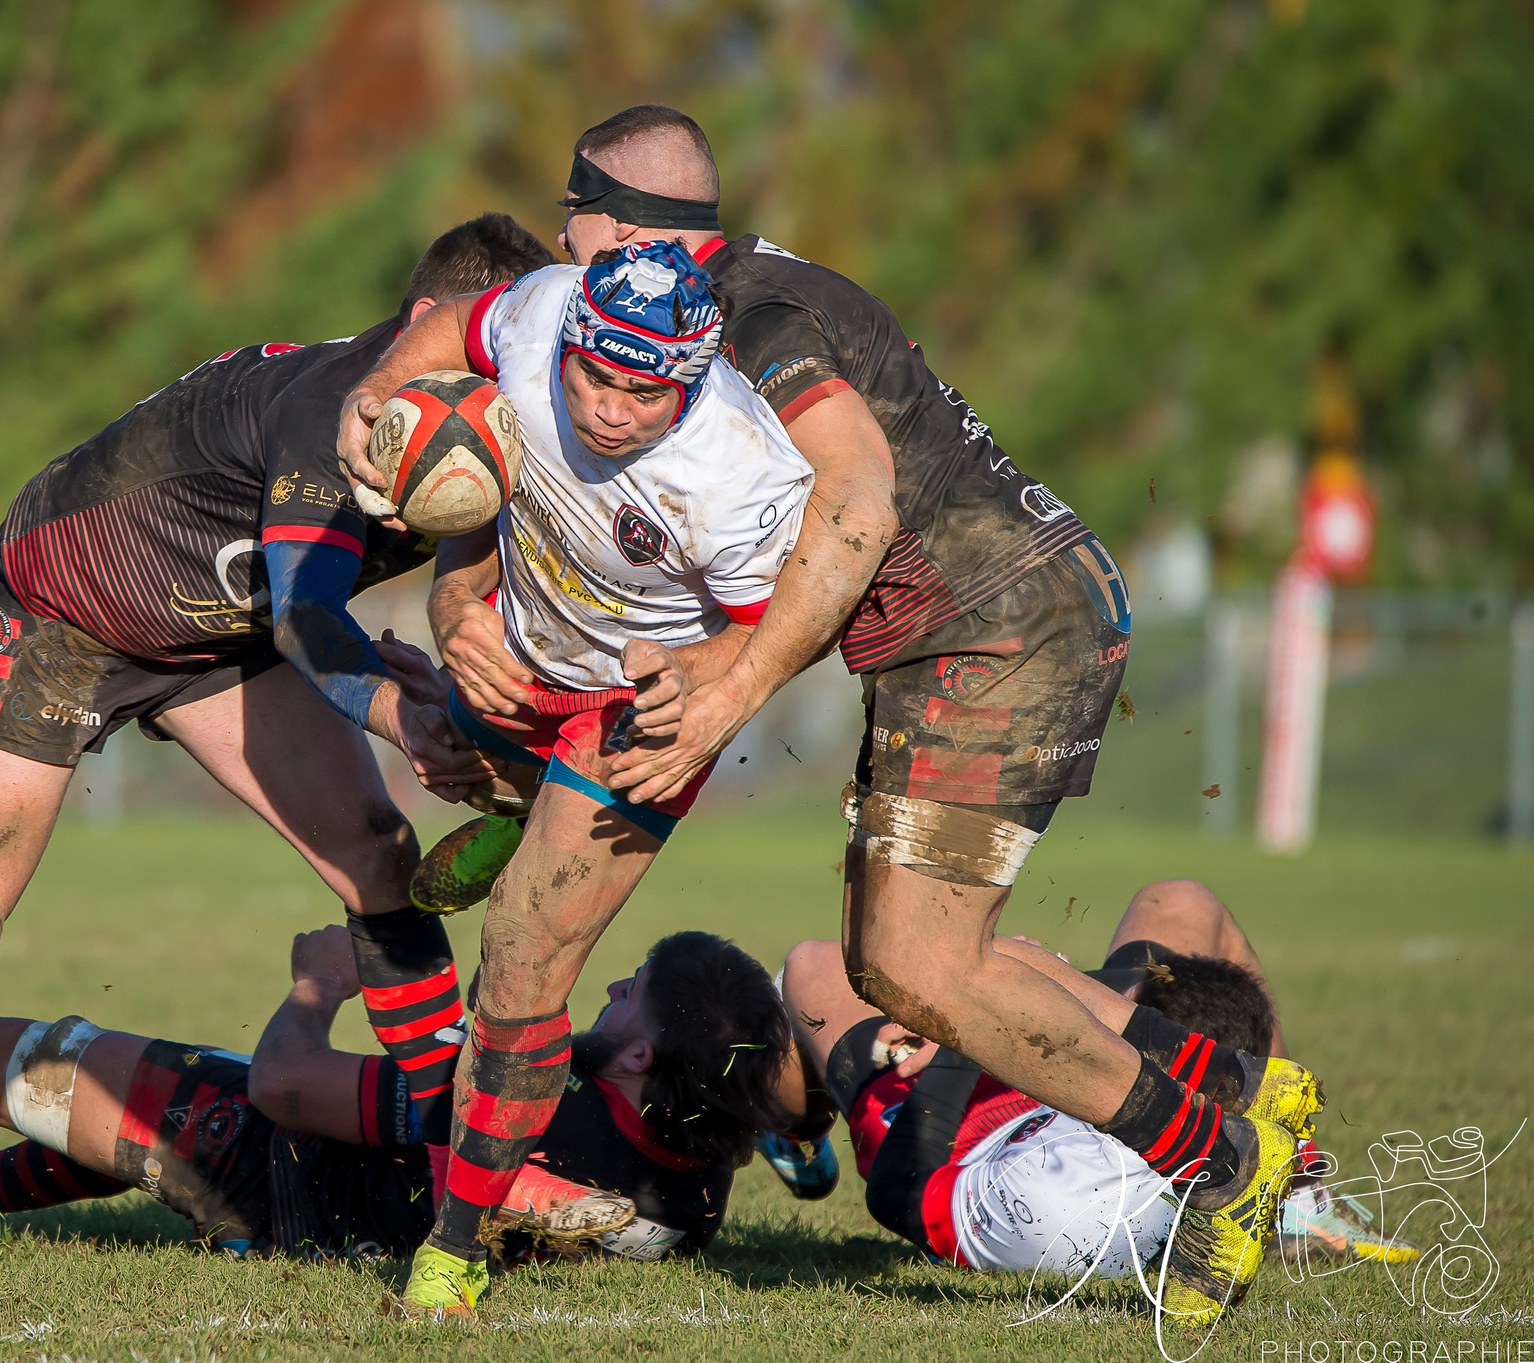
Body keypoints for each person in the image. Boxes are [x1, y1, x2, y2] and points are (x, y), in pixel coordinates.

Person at [342, 108, 1319, 1326]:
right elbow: (469, 345)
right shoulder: (594, 314)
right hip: (948, 635)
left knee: (914, 965)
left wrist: (725, 700)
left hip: (996, 628)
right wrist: (391, 424)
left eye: (573, 215)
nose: (558, 235)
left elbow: (853, 509)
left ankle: (1217, 1157)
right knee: (886, 964)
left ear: (632, 226)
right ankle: (1238, 1095)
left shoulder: (748, 337)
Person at [0, 215, 558, 1297]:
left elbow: (324, 598)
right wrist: (401, 713)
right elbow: (302, 614)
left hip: (213, 637)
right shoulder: (337, 411)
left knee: (377, 855)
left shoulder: (480, 423)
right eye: (508, 342)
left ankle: (449, 1173)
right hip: (61, 615)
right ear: (432, 326)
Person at [332, 238, 814, 1314]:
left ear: (691, 378)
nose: (604, 408)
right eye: (591, 376)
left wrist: (690, 683)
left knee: (517, 968)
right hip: (516, 654)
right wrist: (375, 397)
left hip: (630, 715)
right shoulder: (542, 311)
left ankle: (453, 1247)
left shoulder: (739, 473)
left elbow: (771, 637)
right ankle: (512, 811)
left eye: (642, 393)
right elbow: (447, 328)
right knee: (451, 757)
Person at [0, 924, 790, 1266]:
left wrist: (315, 987)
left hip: (282, 1173)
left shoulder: (534, 1102)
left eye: (627, 994)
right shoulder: (696, 1152)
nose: (605, 989)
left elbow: (290, 1085)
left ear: (642, 1058)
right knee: (97, 1120)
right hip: (342, 1211)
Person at [773, 879, 1412, 1284]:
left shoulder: (1055, 1196)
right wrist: (1024, 987)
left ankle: (797, 1130)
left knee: (811, 968)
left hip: (959, 1138)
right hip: (1132, 1107)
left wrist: (970, 1024)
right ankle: (1297, 1192)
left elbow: (900, 1193)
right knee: (1181, 902)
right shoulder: (1213, 1109)